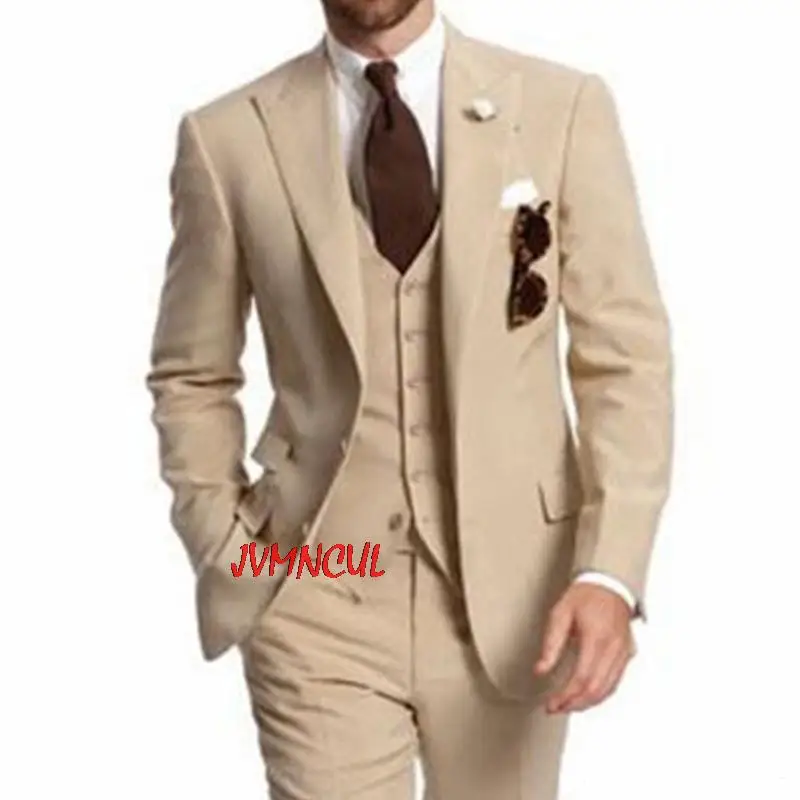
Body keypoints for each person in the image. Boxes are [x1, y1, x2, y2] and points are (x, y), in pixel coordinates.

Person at [145, 1, 674, 796]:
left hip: (519, 597)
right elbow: (192, 372)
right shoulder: (227, 138)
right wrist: (226, 541)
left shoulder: (561, 108)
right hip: (316, 589)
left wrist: (610, 573)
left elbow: (625, 359)